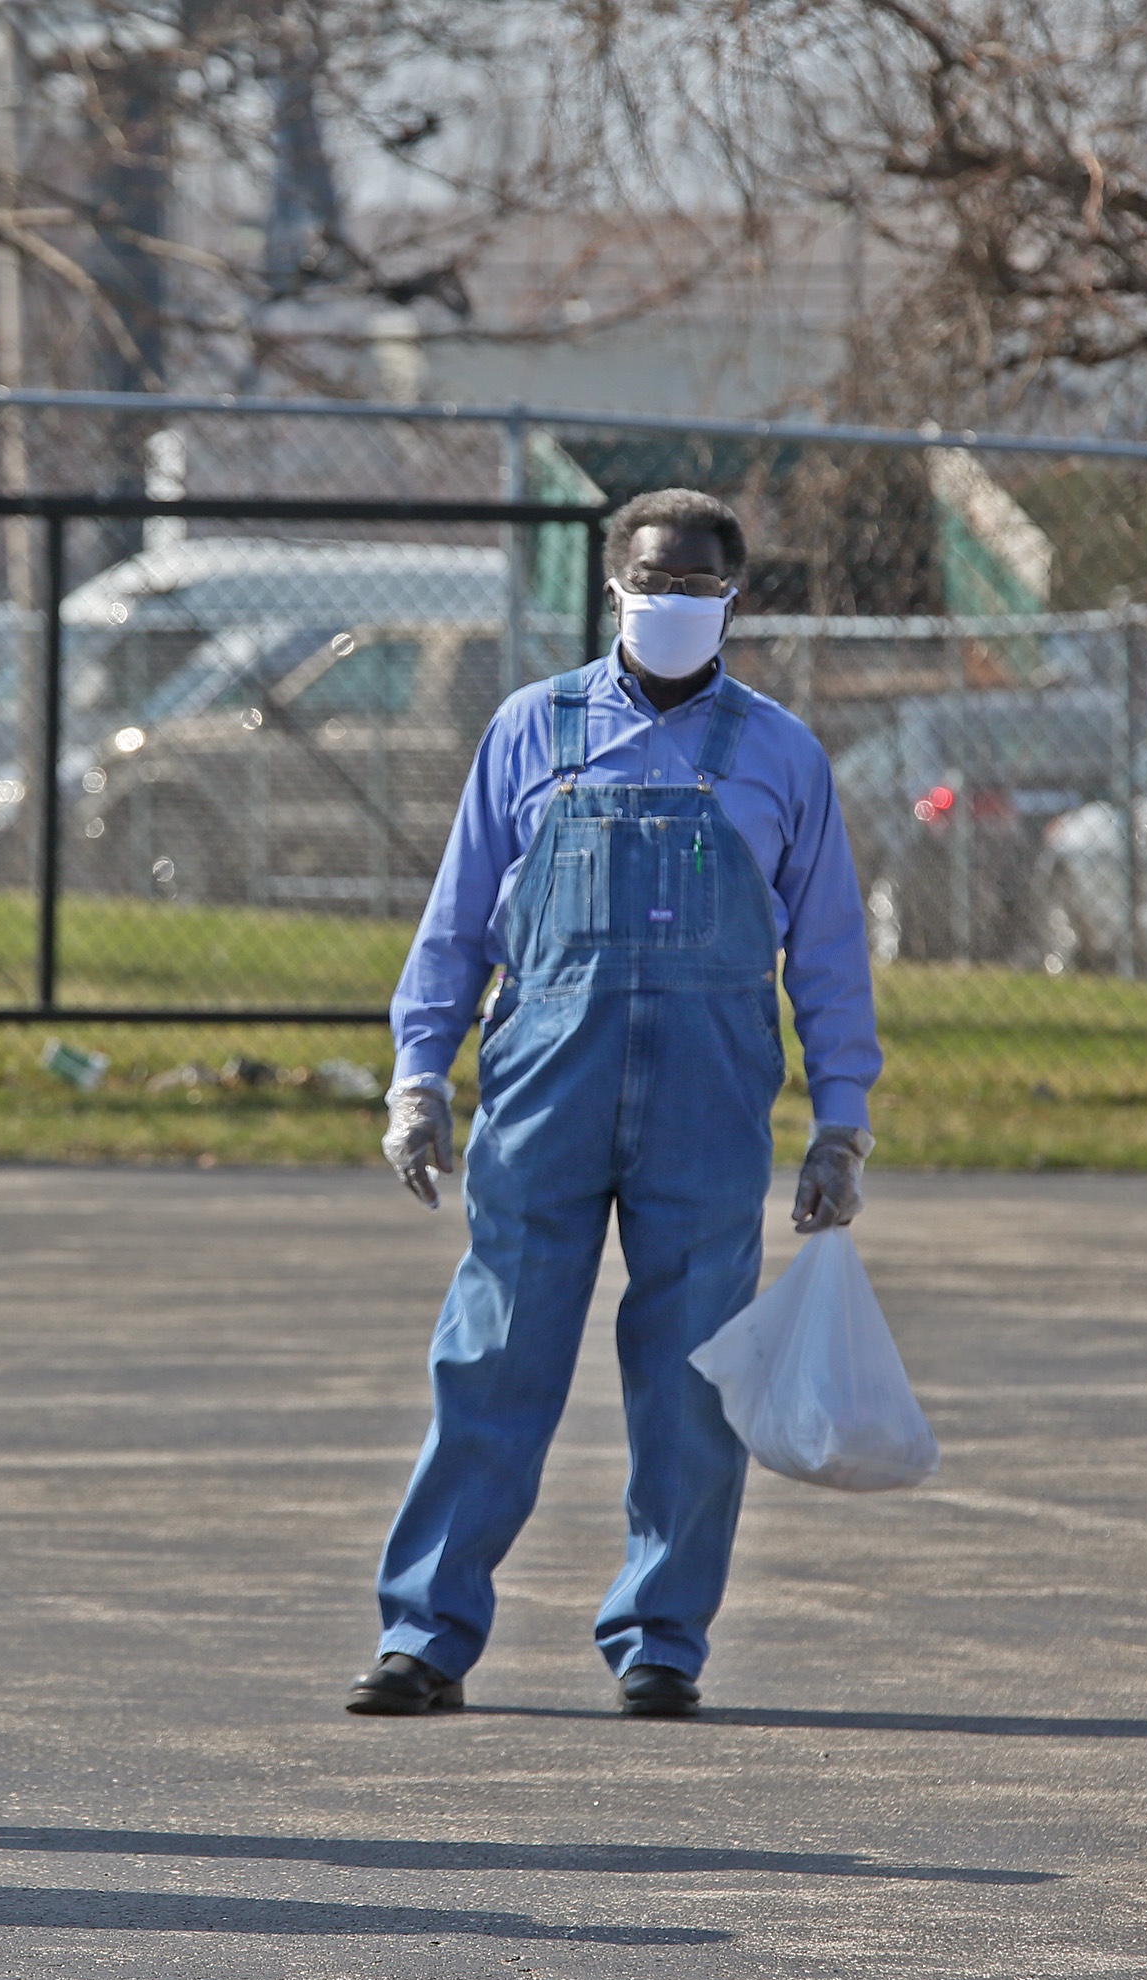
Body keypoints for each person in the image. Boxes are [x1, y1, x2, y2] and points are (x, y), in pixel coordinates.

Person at [353, 487, 882, 1720]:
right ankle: (425, 1633)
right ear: (612, 588)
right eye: (654, 582)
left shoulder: (782, 754)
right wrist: (418, 1073)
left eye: (699, 585)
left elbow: (829, 952)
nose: (674, 602)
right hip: (546, 1089)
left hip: (708, 1100)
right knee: (492, 1356)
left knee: (694, 1376)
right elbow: (458, 919)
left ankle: (662, 1637)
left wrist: (841, 1119)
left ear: (735, 600)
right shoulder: (529, 729)